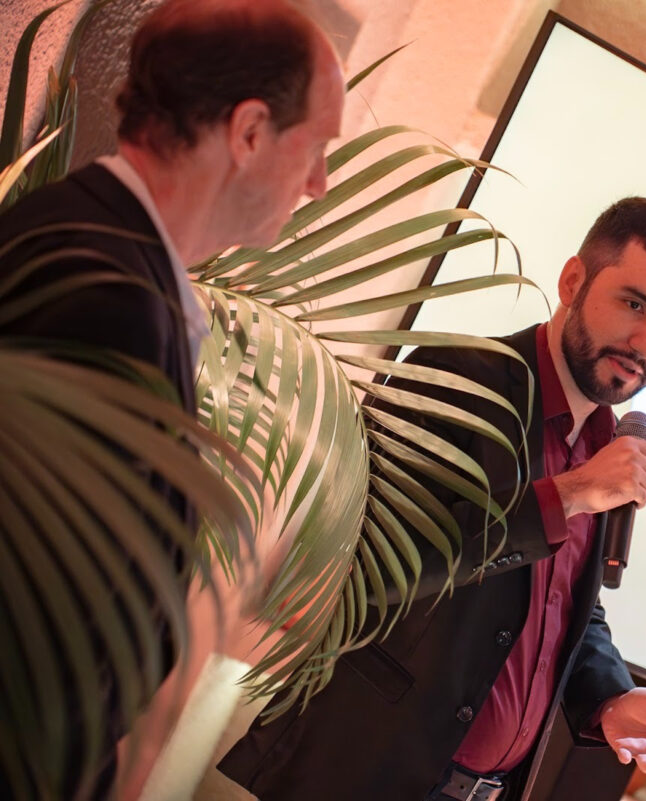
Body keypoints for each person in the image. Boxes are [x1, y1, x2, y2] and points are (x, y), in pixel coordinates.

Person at [219, 197, 646, 800]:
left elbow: (560, 604)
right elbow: (372, 568)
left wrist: (608, 697)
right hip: (353, 775)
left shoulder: (599, 442)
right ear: (572, 281)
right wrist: (572, 494)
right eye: (634, 303)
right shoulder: (456, 377)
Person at [0, 1, 344, 797]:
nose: (323, 183)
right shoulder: (100, 288)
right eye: (318, 146)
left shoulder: (104, 249)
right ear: (251, 131)